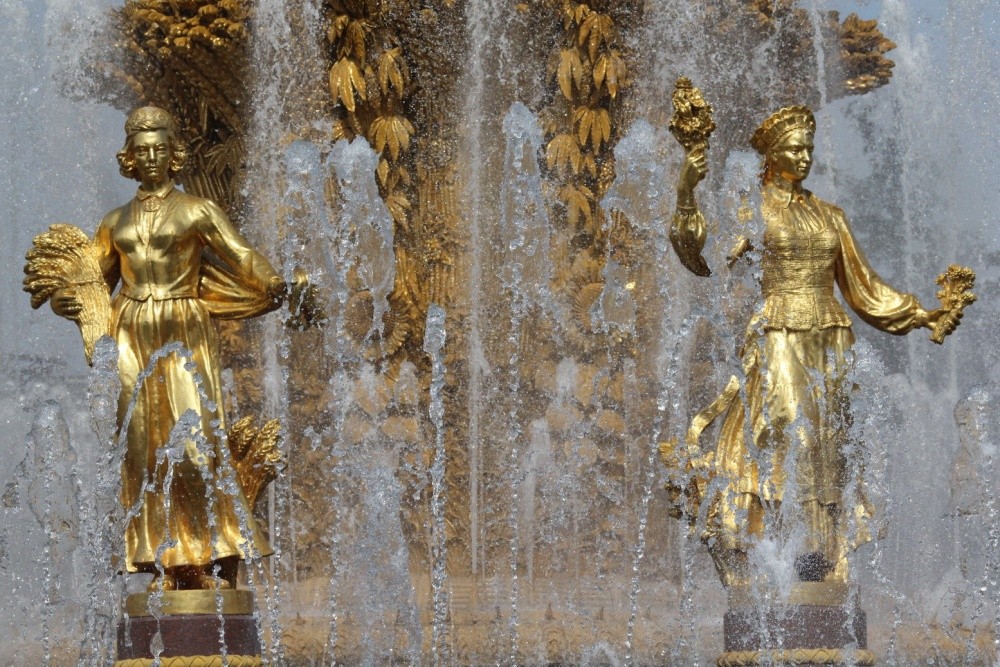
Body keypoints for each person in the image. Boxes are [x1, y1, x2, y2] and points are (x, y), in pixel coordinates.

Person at [671, 105, 961, 586]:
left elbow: (863, 288)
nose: (804, 157)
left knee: (830, 443)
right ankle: (764, 540)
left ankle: (820, 554)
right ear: (771, 155)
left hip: (830, 336)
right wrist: (686, 190)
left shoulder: (830, 215)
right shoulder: (753, 209)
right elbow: (703, 257)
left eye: (808, 148)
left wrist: (921, 315)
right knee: (785, 427)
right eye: (794, 149)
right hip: (778, 331)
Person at [51, 107, 286, 590]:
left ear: (174, 154)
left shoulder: (197, 210)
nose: (152, 157)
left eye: (160, 148)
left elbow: (242, 255)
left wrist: (275, 282)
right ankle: (164, 563)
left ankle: (208, 556)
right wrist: (63, 299)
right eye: (142, 150)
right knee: (142, 450)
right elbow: (91, 284)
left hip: (183, 324)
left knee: (193, 445)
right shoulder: (114, 222)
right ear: (130, 158)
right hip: (129, 329)